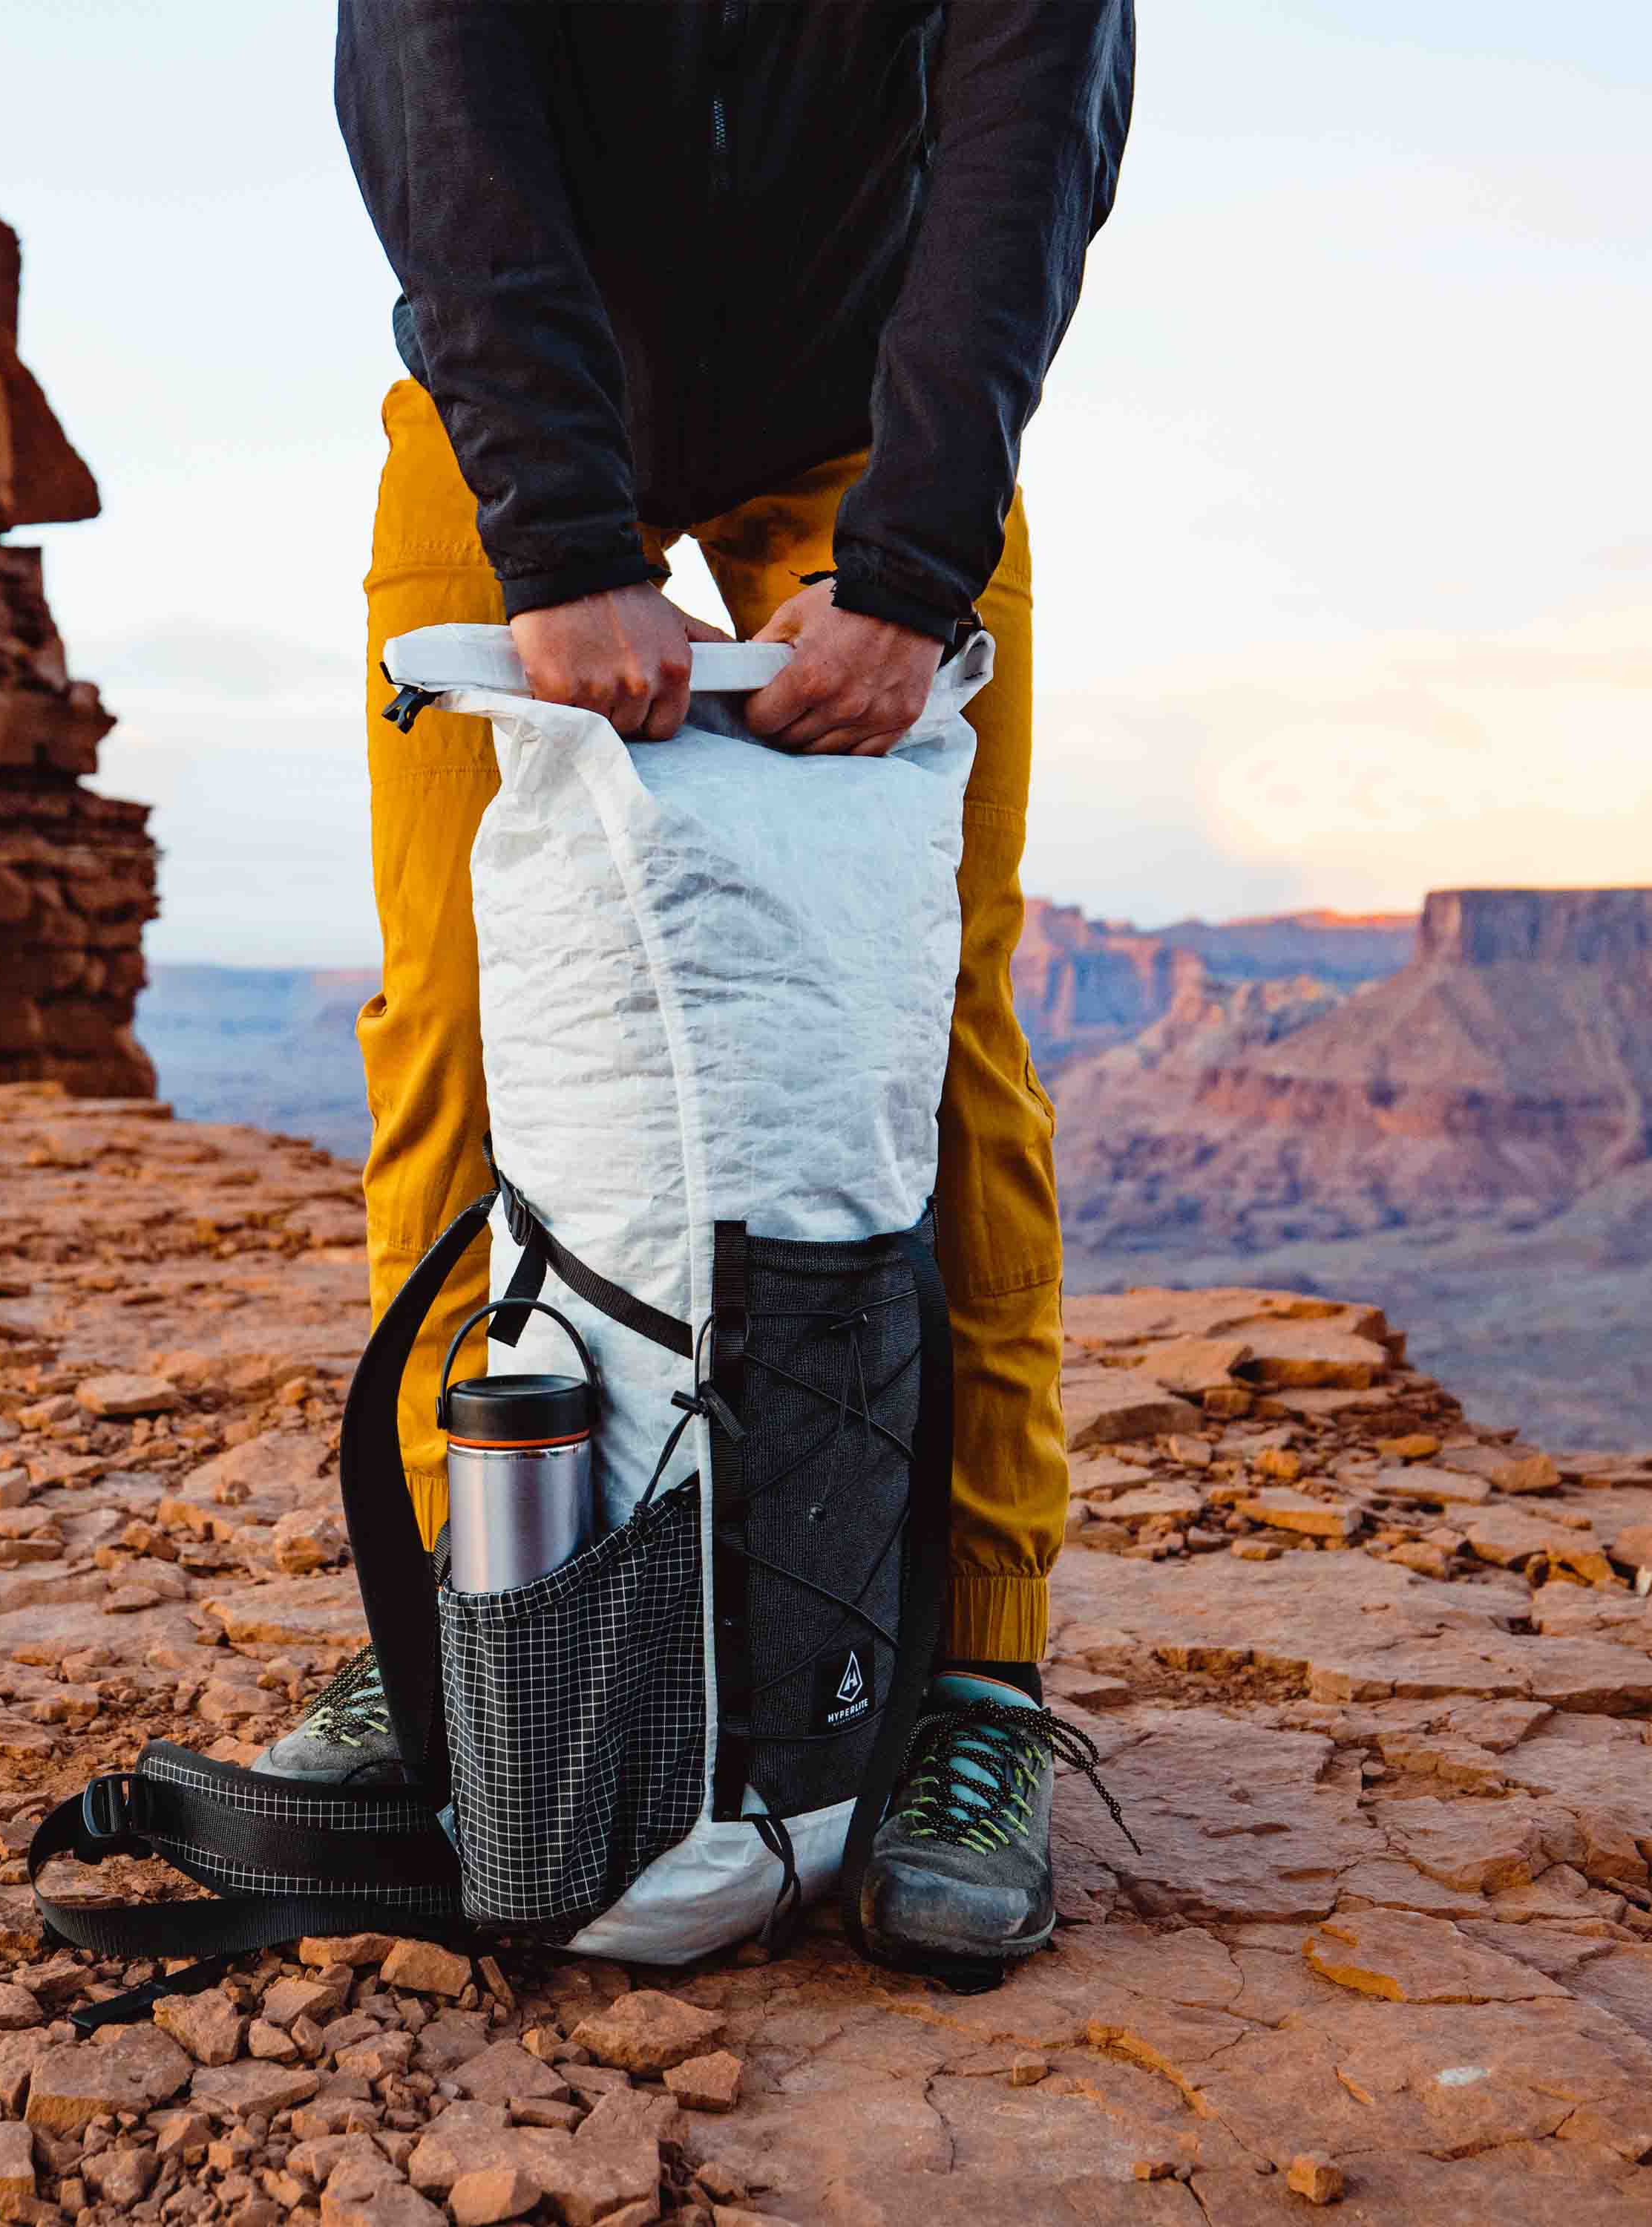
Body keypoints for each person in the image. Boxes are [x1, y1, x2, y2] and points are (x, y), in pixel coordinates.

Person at [264, 0, 1135, 1989]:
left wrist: (915, 564)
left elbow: (1028, 156)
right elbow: (436, 97)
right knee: (461, 1011)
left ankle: (976, 1687)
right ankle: (458, 1642)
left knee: (940, 1027)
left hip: (872, 412)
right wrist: (564, 533)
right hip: (523, 390)